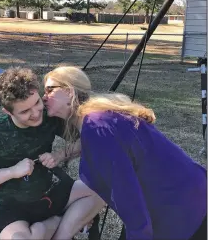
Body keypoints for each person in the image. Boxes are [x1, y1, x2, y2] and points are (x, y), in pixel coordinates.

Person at [42, 66, 207, 240]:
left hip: (181, 208)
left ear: (69, 91)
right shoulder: (98, 118)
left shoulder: (97, 127)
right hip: (188, 196)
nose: (44, 97)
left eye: (49, 90)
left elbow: (125, 192)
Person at [0, 67, 104, 240]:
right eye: (24, 111)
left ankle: (59, 234)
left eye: (37, 103)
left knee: (102, 188)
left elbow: (88, 139)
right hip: (8, 206)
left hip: (46, 196)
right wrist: (11, 172)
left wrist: (60, 154)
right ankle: (57, 221)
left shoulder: (48, 116)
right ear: (8, 112)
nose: (36, 114)